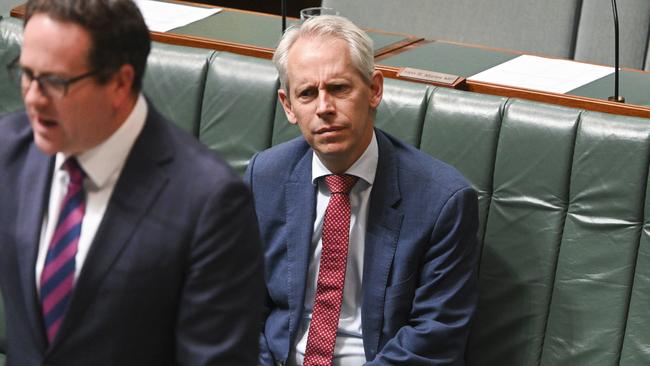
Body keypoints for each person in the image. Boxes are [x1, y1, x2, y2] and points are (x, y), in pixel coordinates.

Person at [0, 0, 264, 365]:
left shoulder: (209, 202)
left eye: (55, 82)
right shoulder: (9, 151)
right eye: (27, 74)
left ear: (120, 83)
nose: (32, 97)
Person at [245, 15, 480, 365]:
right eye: (307, 93)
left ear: (374, 90)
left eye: (339, 88)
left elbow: (436, 336)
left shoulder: (443, 201)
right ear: (288, 106)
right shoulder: (263, 177)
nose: (324, 108)